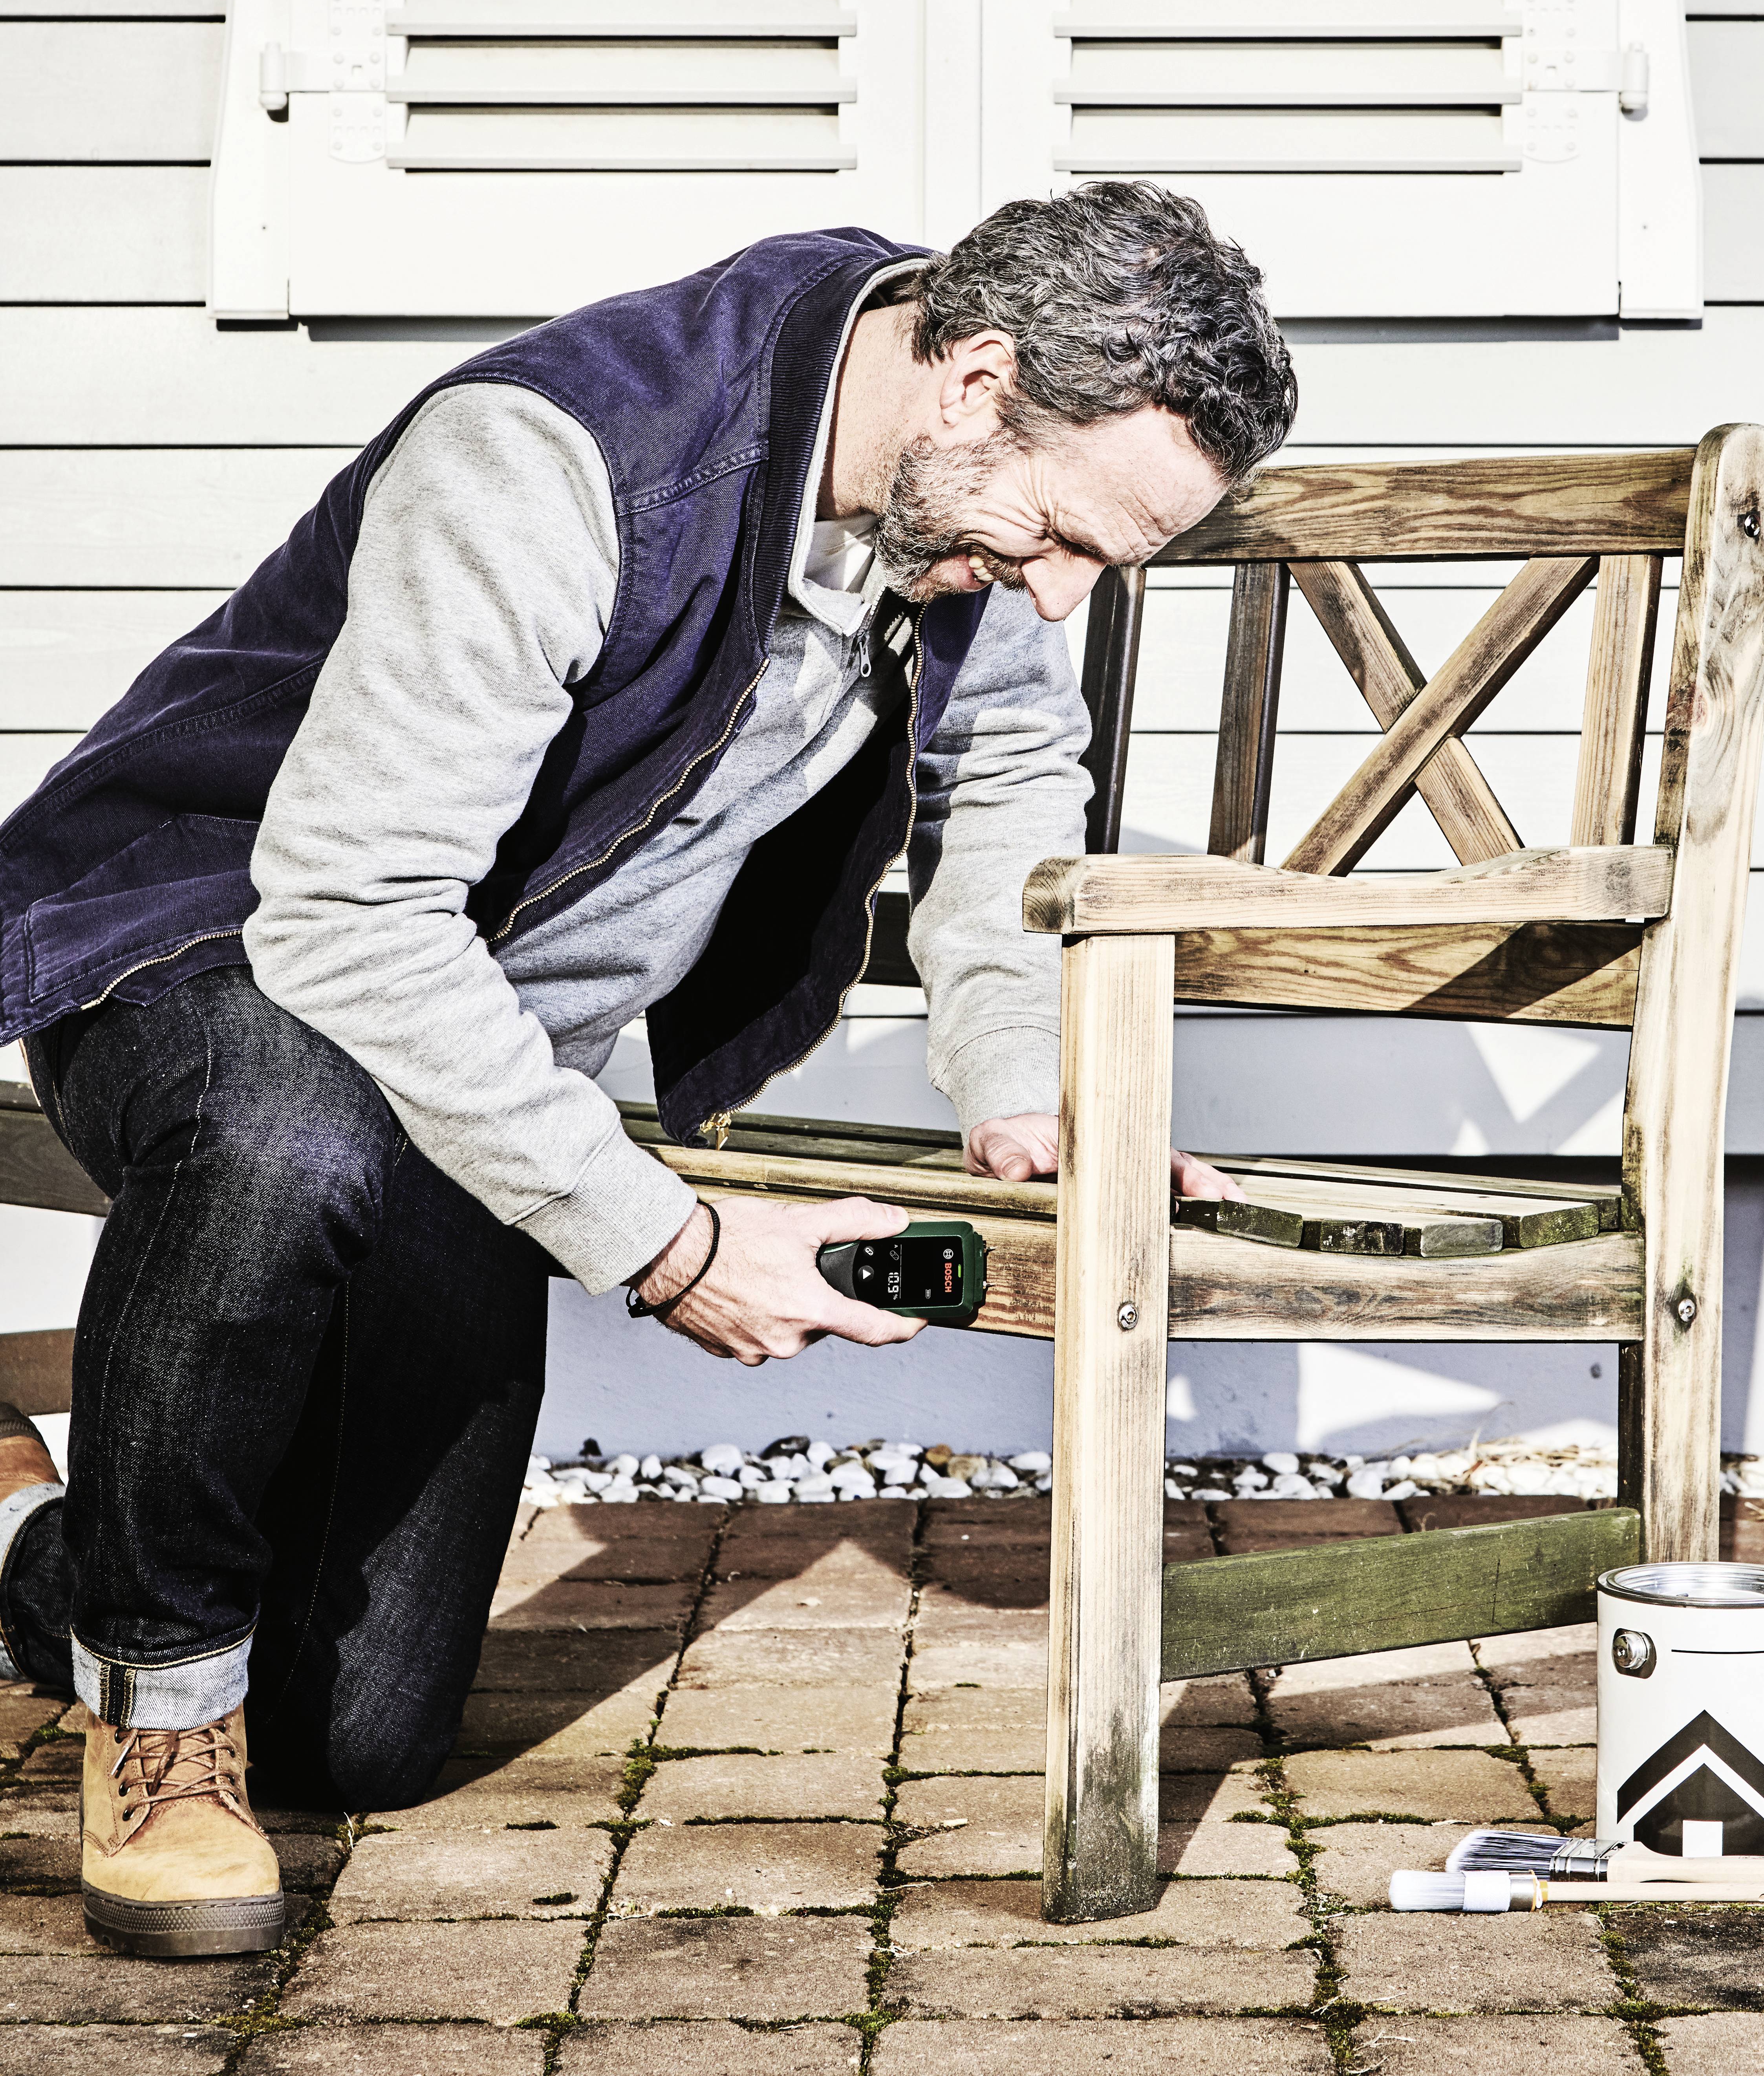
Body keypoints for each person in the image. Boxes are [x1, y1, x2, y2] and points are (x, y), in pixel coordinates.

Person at [0, 181, 1296, 1958]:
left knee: (358, 1738)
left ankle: (32, 1542)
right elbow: (350, 921)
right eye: (1066, 535)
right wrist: (670, 1245)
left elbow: (1002, 787)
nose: (1062, 594)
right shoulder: (554, 458)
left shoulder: (955, 509)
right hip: (206, 945)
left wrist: (1023, 1086)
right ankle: (156, 1713)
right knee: (284, 1127)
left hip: (466, 1051)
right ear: (977, 380)